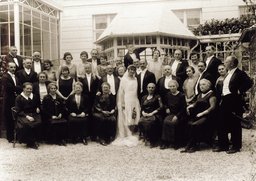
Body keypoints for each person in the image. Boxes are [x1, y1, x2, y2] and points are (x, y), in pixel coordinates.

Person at [214, 56, 253, 154]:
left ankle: (236, 146)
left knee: (235, 123)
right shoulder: (228, 73)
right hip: (225, 99)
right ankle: (223, 145)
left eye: (226, 61)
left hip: (234, 100)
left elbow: (249, 82)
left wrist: (240, 91)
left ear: (232, 63)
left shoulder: (239, 73)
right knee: (221, 122)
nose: (225, 63)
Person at [181, 79, 217, 153]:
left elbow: (212, 107)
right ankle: (190, 144)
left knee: (195, 125)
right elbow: (196, 103)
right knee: (188, 123)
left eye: (203, 84)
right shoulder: (200, 94)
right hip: (198, 115)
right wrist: (189, 106)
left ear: (208, 85)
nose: (201, 86)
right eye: (200, 85)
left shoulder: (211, 94)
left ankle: (194, 145)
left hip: (208, 116)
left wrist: (203, 113)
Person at [112, 65, 141, 147]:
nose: (132, 71)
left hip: (134, 100)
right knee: (127, 117)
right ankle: (127, 134)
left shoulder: (135, 79)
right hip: (127, 100)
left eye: (134, 70)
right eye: (131, 69)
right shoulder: (124, 79)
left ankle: (132, 133)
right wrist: (123, 103)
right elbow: (121, 92)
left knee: (134, 117)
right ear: (128, 70)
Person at [160, 80, 187, 150]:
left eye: (173, 86)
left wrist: (177, 116)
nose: (172, 88)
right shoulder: (168, 94)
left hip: (180, 114)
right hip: (171, 114)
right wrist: (167, 108)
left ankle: (176, 143)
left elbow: (183, 108)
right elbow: (165, 104)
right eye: (170, 86)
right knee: (165, 122)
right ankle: (165, 142)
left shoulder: (181, 95)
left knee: (174, 123)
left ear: (177, 86)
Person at [15, 82, 42, 149]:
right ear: (23, 89)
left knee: (39, 121)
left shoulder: (34, 96)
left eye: (30, 89)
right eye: (27, 89)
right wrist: (27, 116)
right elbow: (18, 110)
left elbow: (38, 104)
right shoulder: (19, 98)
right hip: (23, 115)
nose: (29, 90)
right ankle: (30, 142)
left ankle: (34, 139)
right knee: (28, 124)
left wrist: (37, 108)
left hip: (33, 113)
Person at [2, 62, 21, 142]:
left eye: (14, 67)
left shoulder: (15, 77)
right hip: (8, 100)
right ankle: (10, 138)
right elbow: (10, 88)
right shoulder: (5, 77)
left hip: (15, 99)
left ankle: (16, 136)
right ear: (7, 68)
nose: (13, 69)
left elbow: (18, 86)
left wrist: (16, 89)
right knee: (9, 118)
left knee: (15, 118)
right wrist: (17, 89)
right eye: (11, 67)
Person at [138, 83, 163, 148]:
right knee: (140, 122)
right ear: (147, 88)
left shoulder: (157, 97)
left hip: (155, 114)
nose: (150, 89)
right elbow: (142, 107)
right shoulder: (144, 97)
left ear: (154, 88)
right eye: (149, 87)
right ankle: (146, 137)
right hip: (146, 114)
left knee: (150, 123)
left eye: (152, 87)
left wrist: (152, 113)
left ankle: (153, 140)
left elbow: (161, 107)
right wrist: (143, 113)